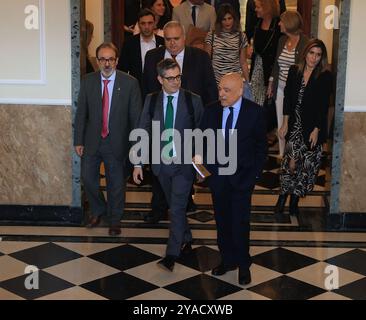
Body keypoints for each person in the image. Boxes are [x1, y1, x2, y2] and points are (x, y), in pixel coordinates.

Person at [133, 58, 204, 271]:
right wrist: (137, 163)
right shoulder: (152, 100)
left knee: (176, 208)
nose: (175, 82)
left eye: (178, 76)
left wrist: (200, 161)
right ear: (160, 79)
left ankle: (171, 254)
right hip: (160, 165)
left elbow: (201, 132)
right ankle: (187, 237)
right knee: (176, 207)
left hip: (184, 166)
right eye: (170, 78)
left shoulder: (193, 101)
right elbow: (142, 131)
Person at [143, 20, 217, 223]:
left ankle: (182, 207)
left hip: (189, 124)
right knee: (159, 172)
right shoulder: (152, 57)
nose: (173, 43)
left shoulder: (200, 57)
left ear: (184, 38)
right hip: (161, 124)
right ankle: (159, 209)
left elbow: (210, 90)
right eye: (168, 39)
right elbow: (146, 89)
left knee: (185, 169)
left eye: (176, 38)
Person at [198, 72, 267, 285]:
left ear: (239, 91)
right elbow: (201, 142)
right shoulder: (210, 111)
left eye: (227, 90)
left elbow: (260, 148)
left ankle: (244, 265)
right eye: (220, 89)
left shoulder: (254, 113)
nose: (221, 94)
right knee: (222, 222)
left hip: (242, 180)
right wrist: (205, 173)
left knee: (240, 223)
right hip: (218, 179)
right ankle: (227, 260)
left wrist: (253, 175)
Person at [74, 42, 142, 236]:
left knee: (116, 183)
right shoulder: (88, 81)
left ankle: (114, 219)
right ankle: (98, 210)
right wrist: (78, 140)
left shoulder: (130, 83)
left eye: (110, 59)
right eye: (102, 59)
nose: (106, 63)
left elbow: (135, 118)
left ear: (117, 61)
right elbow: (81, 114)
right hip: (92, 141)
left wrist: (135, 147)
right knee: (88, 179)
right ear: (97, 61)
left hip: (118, 142)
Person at [275, 39, 332, 216]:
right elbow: (287, 99)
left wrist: (317, 129)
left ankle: (294, 201)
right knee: (289, 164)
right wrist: (284, 122)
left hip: (312, 128)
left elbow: (323, 106)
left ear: (322, 57)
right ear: (305, 53)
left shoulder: (324, 76)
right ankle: (283, 196)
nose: (314, 58)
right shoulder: (294, 71)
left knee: (305, 166)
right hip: (295, 125)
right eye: (311, 53)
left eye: (318, 55)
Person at [267, 10, 309, 157]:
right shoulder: (282, 41)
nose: (279, 24)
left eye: (281, 21)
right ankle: (283, 154)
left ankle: (295, 155)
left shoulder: (306, 42)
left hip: (296, 91)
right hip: (280, 88)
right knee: (281, 122)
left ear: (289, 24)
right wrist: (271, 82)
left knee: (295, 122)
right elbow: (276, 64)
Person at [117, 9, 165, 89]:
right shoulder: (129, 43)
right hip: (135, 87)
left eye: (150, 23)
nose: (146, 27)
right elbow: (122, 69)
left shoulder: (162, 42)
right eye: (143, 23)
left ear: (154, 24)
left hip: (158, 87)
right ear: (139, 25)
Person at [204, 3, 250, 84]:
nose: (227, 22)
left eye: (229, 18)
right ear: (219, 21)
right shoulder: (211, 35)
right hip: (215, 81)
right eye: (224, 19)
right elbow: (206, 61)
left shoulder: (241, 36)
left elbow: (243, 62)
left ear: (234, 19)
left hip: (234, 81)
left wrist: (248, 82)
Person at [249, 0, 281, 107]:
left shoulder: (278, 25)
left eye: (258, 7)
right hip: (257, 68)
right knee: (254, 100)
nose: (255, 9)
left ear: (267, 8)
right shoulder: (257, 22)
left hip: (271, 69)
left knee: (268, 103)